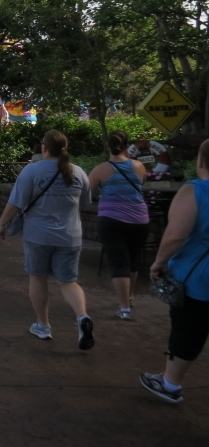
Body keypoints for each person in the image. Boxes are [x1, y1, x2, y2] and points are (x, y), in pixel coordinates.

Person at [0, 130, 94, 350]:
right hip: (70, 236)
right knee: (68, 282)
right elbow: (85, 201)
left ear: (44, 148)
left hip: (38, 235)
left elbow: (15, 203)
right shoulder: (78, 172)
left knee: (38, 278)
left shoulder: (32, 171)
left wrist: (2, 223)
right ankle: (82, 317)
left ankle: (43, 325)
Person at [141, 138, 209, 403]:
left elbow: (175, 235)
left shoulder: (195, 191)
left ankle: (169, 384)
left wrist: (159, 262)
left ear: (200, 161)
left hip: (198, 279)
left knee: (188, 331)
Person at [87, 131, 148, 320]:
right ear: (126, 146)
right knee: (133, 259)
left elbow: (87, 192)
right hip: (139, 219)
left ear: (108, 146)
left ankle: (124, 308)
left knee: (119, 263)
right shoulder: (139, 166)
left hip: (111, 220)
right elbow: (142, 183)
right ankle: (128, 298)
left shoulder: (100, 170)